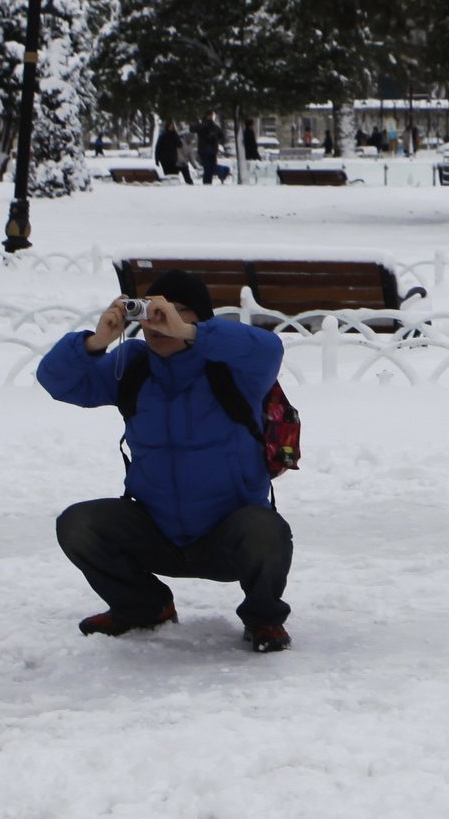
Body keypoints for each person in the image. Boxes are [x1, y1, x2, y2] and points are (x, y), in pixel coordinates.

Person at [40, 269, 295, 651]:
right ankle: (144, 607)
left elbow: (268, 347)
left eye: (177, 311)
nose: (160, 323)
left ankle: (264, 620)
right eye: (153, 312)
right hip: (157, 528)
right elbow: (58, 382)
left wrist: (191, 333)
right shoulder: (133, 366)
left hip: (228, 535)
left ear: (201, 321)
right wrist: (96, 342)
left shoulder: (236, 371)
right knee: (79, 524)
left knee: (266, 530)